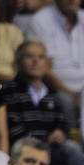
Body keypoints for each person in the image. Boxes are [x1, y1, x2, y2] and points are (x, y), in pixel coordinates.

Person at [1, 40, 84, 165]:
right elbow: (16, 132)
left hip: (51, 153)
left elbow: (63, 124)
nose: (35, 61)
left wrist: (60, 134)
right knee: (71, 149)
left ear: (47, 63)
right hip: (26, 153)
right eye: (29, 57)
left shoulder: (52, 94)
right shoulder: (10, 93)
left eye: (40, 57)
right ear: (17, 63)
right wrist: (46, 139)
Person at [25, 0, 84, 130]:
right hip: (57, 89)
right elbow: (44, 70)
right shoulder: (40, 22)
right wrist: (73, 96)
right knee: (65, 101)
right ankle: (72, 144)